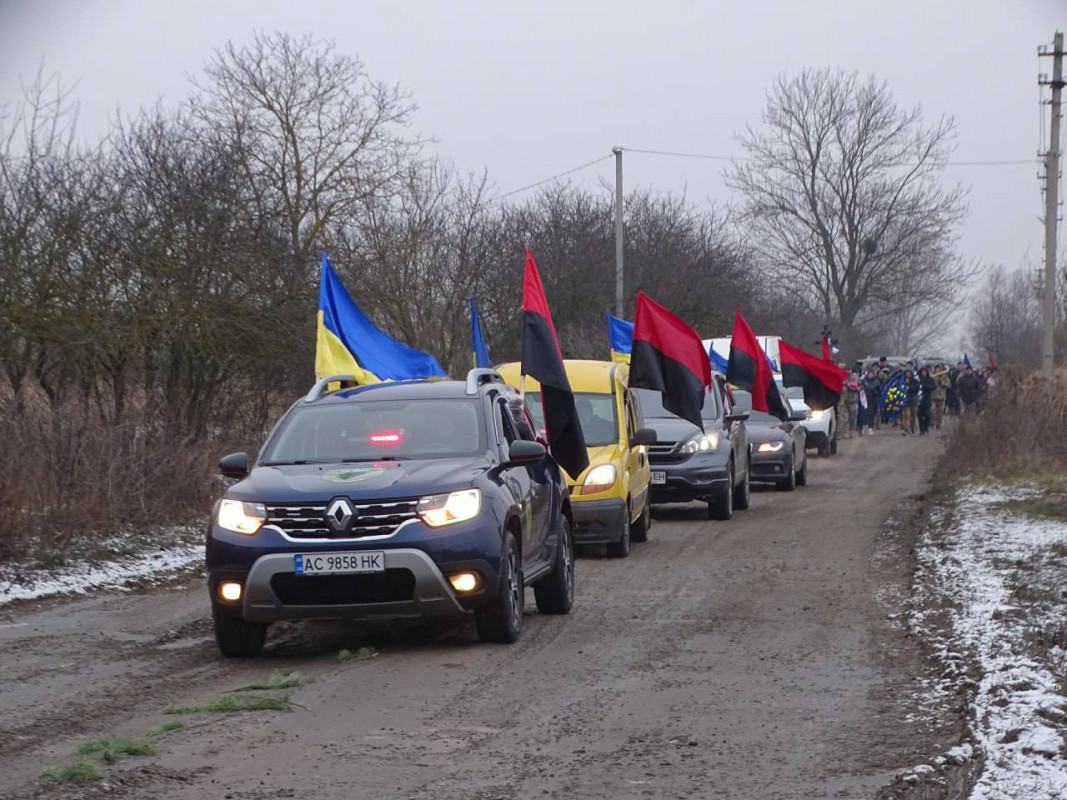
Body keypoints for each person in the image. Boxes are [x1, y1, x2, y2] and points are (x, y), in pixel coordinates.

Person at [860, 365, 882, 435]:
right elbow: (861, 389)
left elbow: (879, 391)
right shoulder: (863, 381)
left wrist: (878, 397)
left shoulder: (877, 381)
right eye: (869, 373)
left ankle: (870, 428)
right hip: (864, 400)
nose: (870, 375)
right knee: (864, 414)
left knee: (871, 414)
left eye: (872, 374)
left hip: (873, 400)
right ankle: (863, 427)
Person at [843, 367, 862, 438]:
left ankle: (852, 431)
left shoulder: (854, 377)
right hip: (844, 401)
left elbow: (859, 386)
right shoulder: (841, 377)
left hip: (853, 400)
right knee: (845, 418)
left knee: (853, 417)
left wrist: (851, 385)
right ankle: (845, 432)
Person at [918, 366, 936, 435]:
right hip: (919, 399)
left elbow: (934, 386)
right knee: (919, 415)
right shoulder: (918, 379)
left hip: (927, 399)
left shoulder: (930, 379)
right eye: (922, 371)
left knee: (927, 414)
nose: (924, 373)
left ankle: (926, 426)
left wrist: (926, 386)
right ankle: (921, 429)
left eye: (925, 372)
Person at [901, 368, 920, 435]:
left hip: (914, 400)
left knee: (914, 416)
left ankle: (913, 428)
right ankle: (907, 429)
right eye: (906, 373)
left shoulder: (915, 381)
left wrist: (910, 387)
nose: (908, 374)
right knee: (907, 416)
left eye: (909, 373)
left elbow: (917, 389)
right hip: (906, 401)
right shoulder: (902, 381)